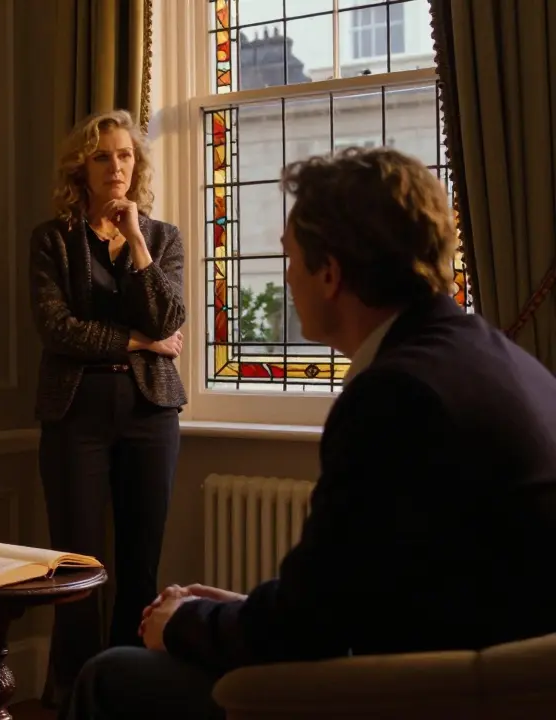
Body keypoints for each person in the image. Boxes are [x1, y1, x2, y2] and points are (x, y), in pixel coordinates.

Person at [64, 146, 556, 719]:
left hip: (444, 693)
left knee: (110, 677)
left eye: (290, 257)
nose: (287, 277)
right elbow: (361, 590)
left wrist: (185, 623)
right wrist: (244, 609)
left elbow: (306, 632)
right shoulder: (491, 356)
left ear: (330, 273)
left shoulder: (396, 396)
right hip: (490, 671)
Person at [28, 108, 187, 708]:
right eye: (103, 157)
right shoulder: (52, 240)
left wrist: (138, 241)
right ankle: (73, 696)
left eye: (125, 156)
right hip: (77, 415)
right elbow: (57, 328)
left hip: (152, 414)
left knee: (140, 568)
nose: (116, 166)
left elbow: (167, 317)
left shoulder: (163, 237)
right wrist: (138, 342)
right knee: (74, 570)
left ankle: (126, 695)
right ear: (82, 168)